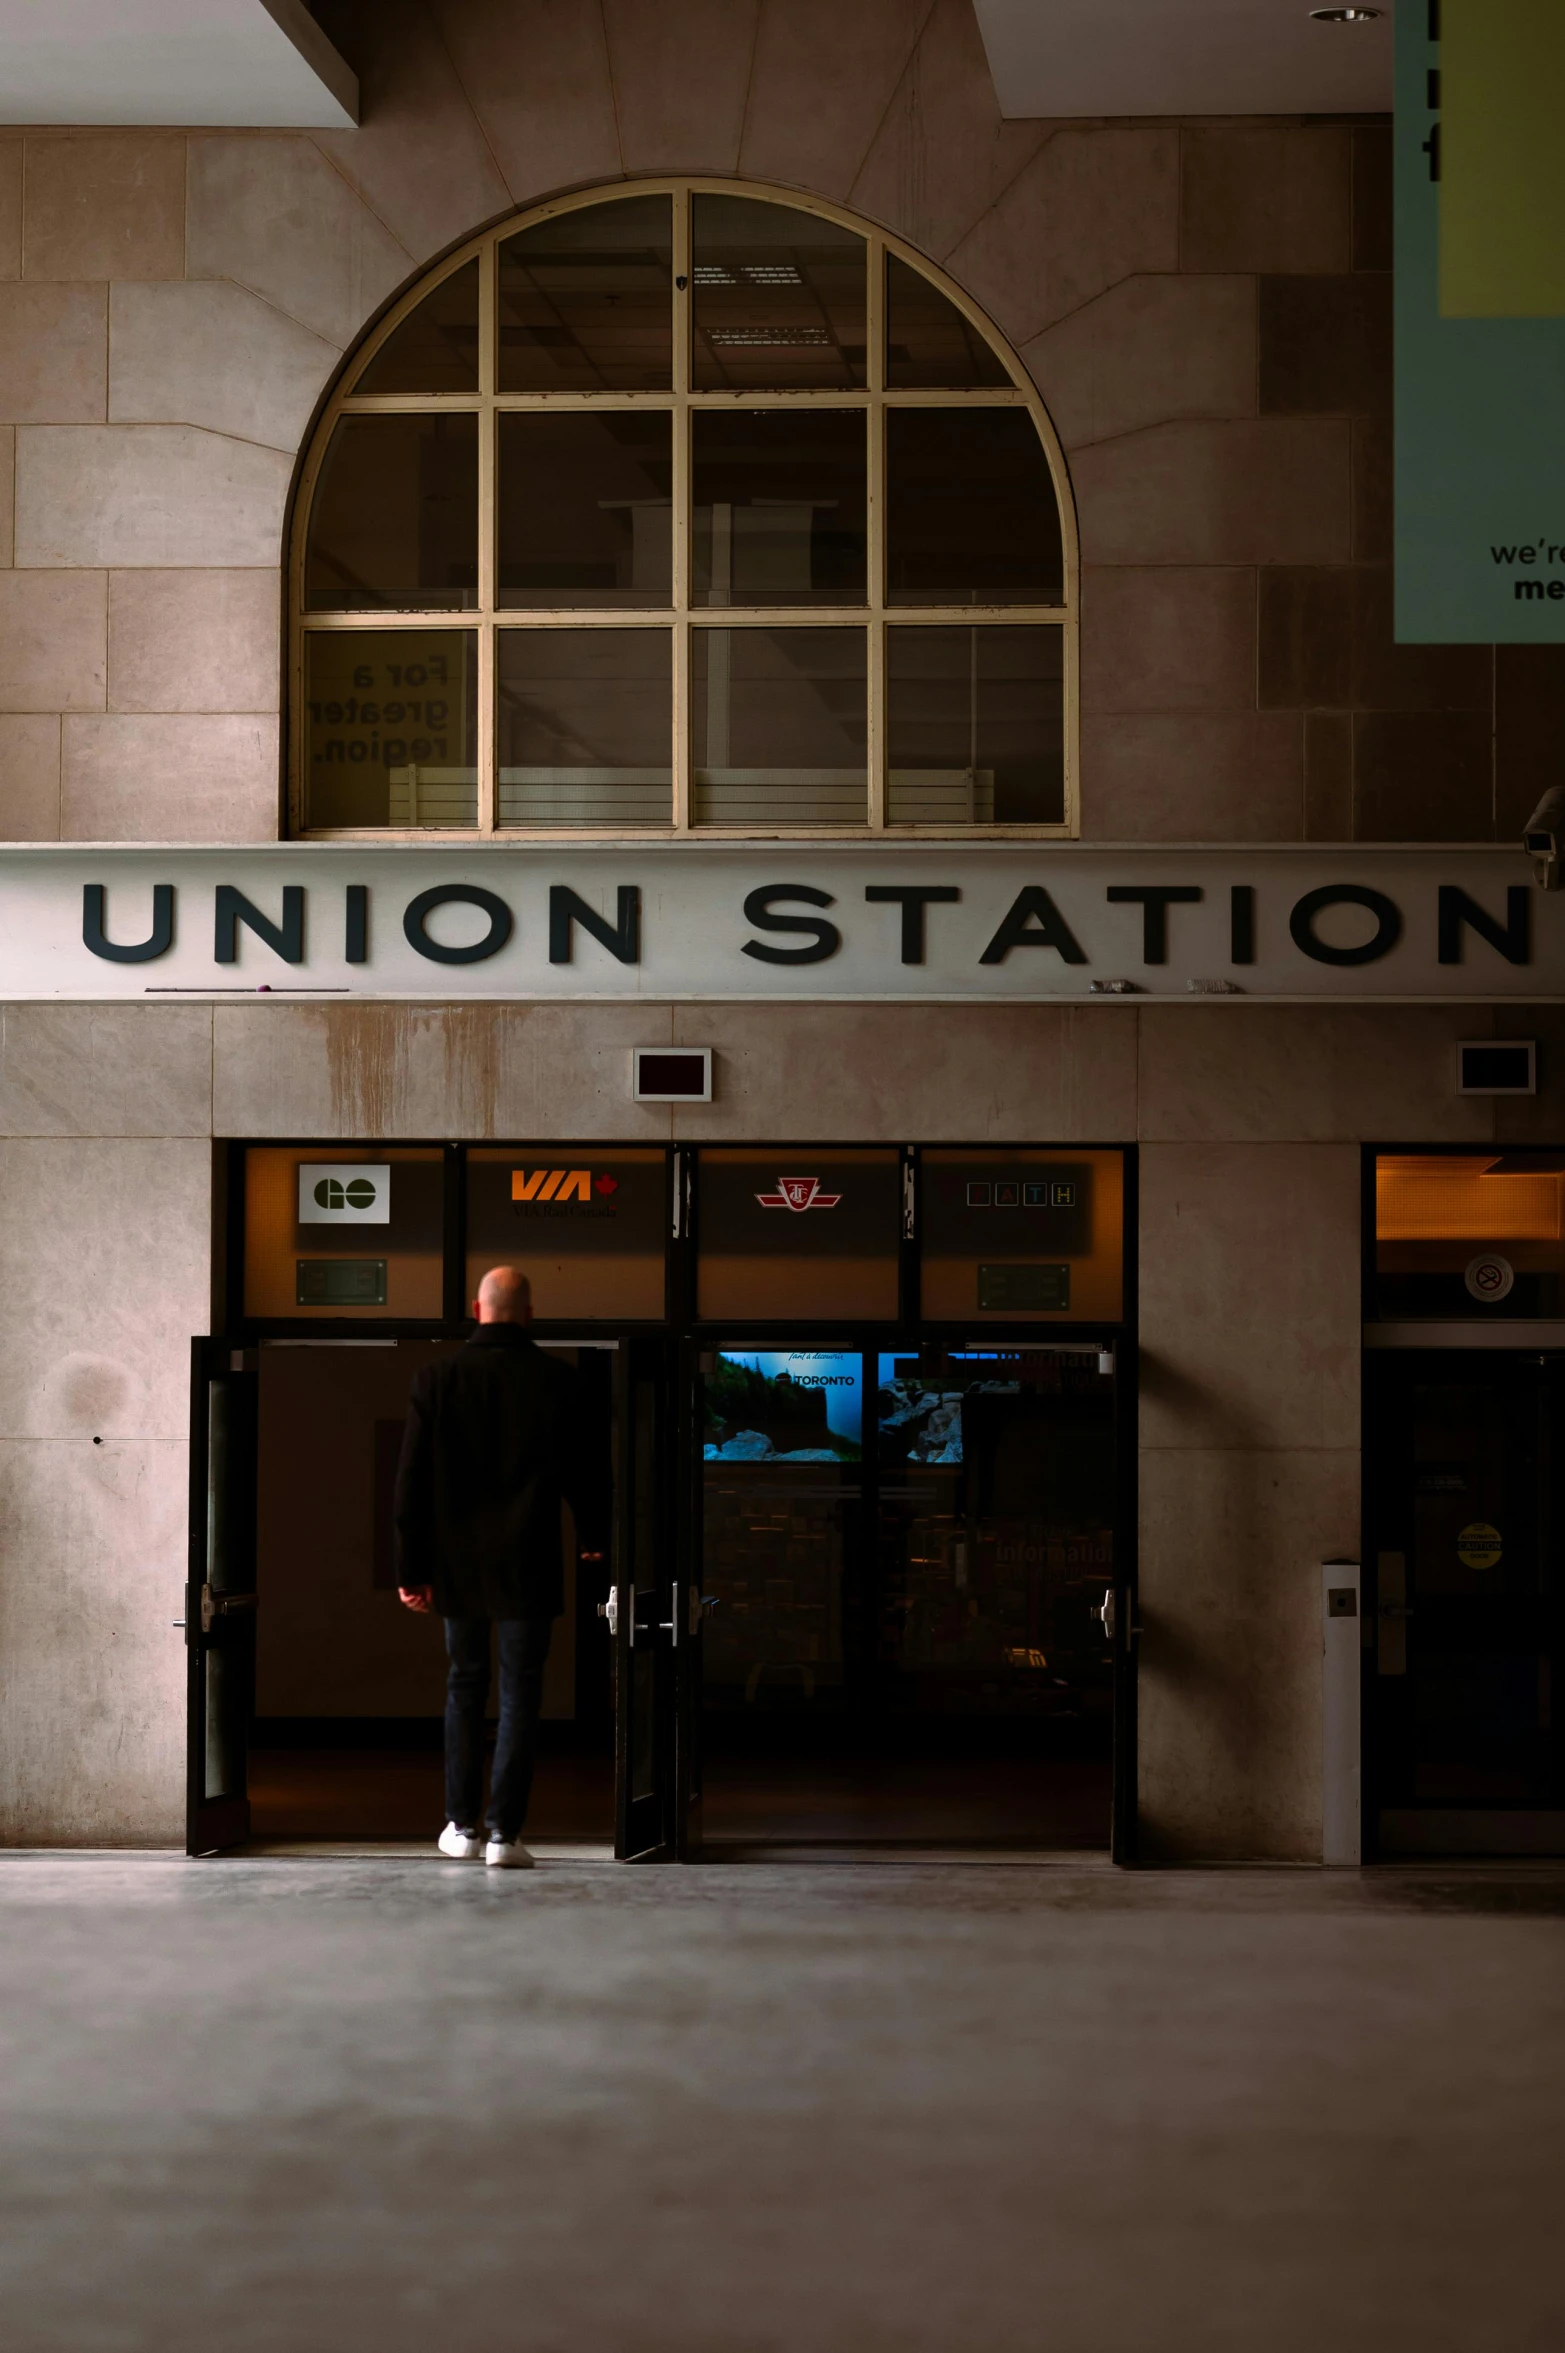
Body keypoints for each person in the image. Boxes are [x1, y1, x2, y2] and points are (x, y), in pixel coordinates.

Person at [394, 1266, 608, 1868]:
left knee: (464, 1686)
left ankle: (460, 1826)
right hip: (529, 1560)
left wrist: (412, 1569)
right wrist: (594, 1536)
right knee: (521, 1696)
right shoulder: (556, 1381)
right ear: (530, 1314)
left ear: (475, 1308)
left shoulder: (437, 1379)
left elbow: (410, 1485)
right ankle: (504, 1837)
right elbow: (587, 1470)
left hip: (456, 1565)